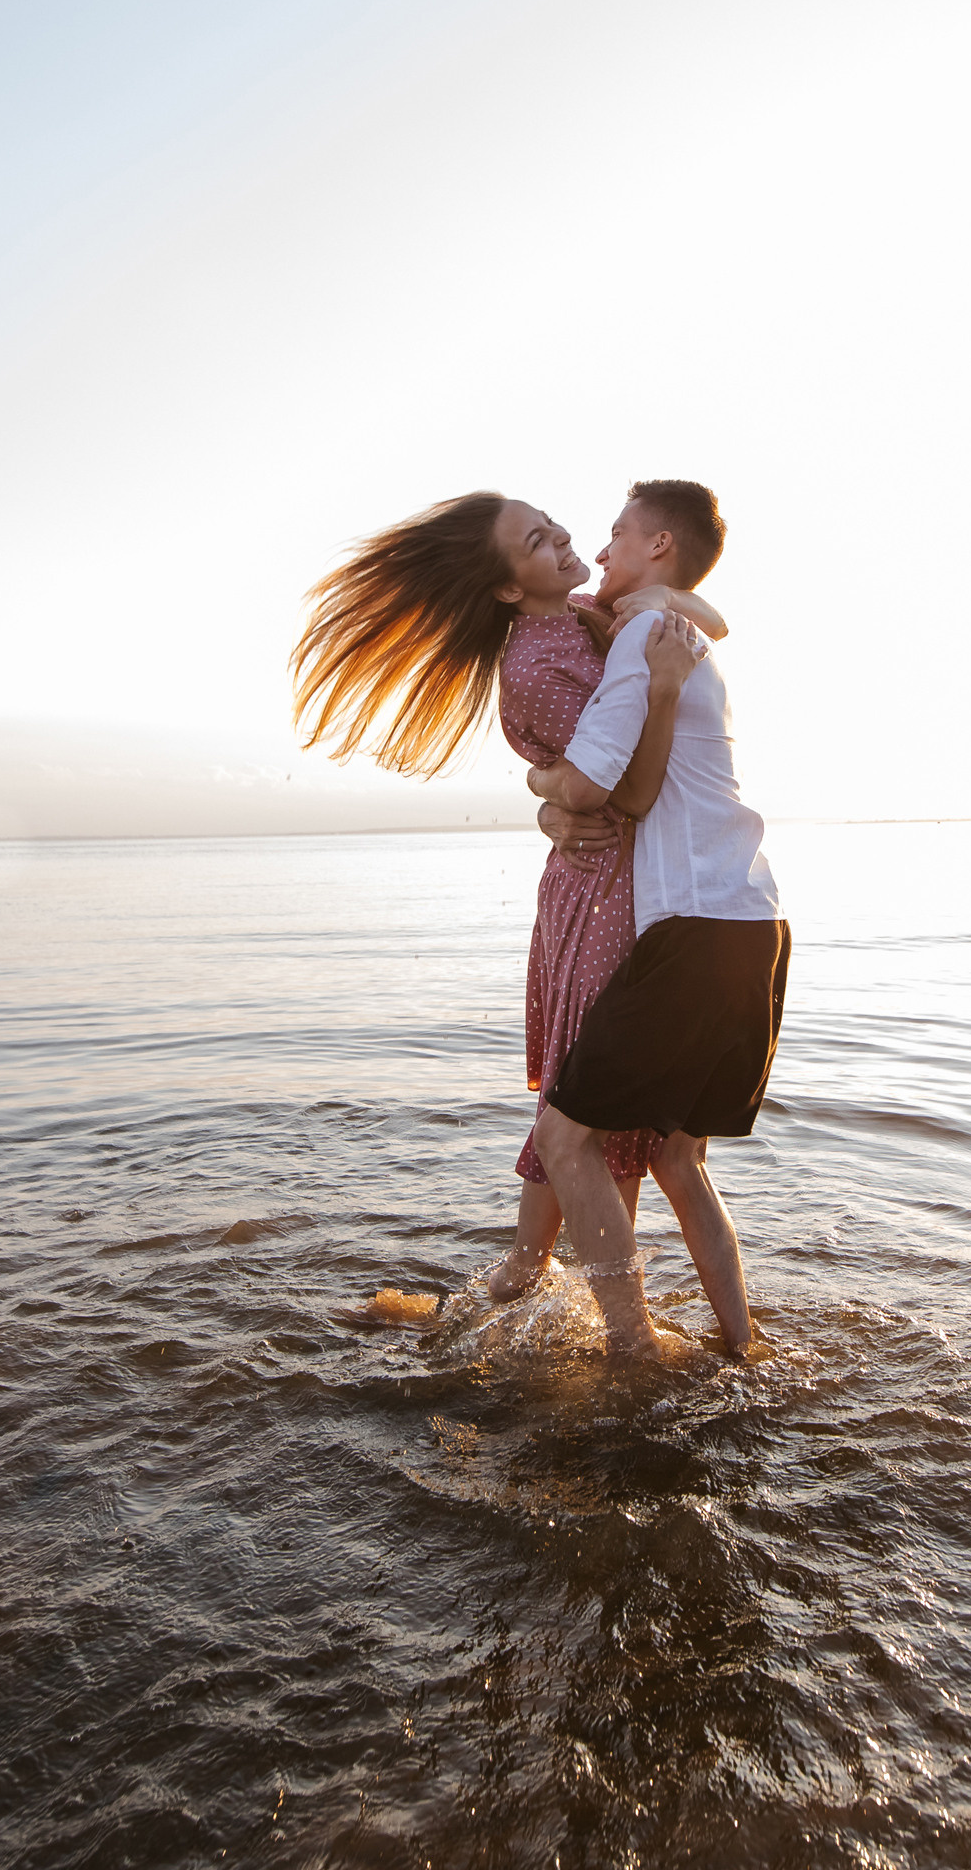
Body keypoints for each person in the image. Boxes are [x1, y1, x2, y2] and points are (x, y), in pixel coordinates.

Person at [290, 492, 725, 1288]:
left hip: (631, 879)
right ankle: (584, 1304)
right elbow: (614, 784)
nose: (564, 537)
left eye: (552, 524)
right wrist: (551, 792)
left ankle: (525, 1280)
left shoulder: (586, 616)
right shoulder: (534, 666)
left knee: (588, 1106)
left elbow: (708, 618)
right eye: (537, 540)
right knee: (587, 1107)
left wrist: (544, 792)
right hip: (603, 889)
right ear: (507, 587)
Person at [525, 481, 790, 1359]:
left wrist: (540, 788)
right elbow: (709, 615)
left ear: (661, 546)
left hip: (693, 933)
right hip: (756, 926)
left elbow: (595, 787)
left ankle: (631, 1354)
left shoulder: (646, 636)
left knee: (565, 1138)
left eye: (616, 534)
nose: (601, 552)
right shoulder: (673, 626)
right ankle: (745, 1349)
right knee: (679, 1160)